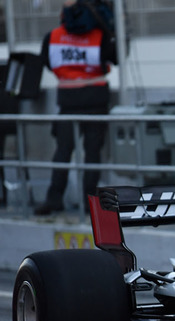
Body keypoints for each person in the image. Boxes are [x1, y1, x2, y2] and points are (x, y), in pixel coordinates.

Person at [34, 0, 117, 215]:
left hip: (68, 101)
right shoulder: (100, 35)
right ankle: (90, 203)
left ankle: (54, 199)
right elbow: (115, 57)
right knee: (92, 155)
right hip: (96, 100)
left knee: (62, 152)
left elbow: (47, 62)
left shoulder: (53, 37)